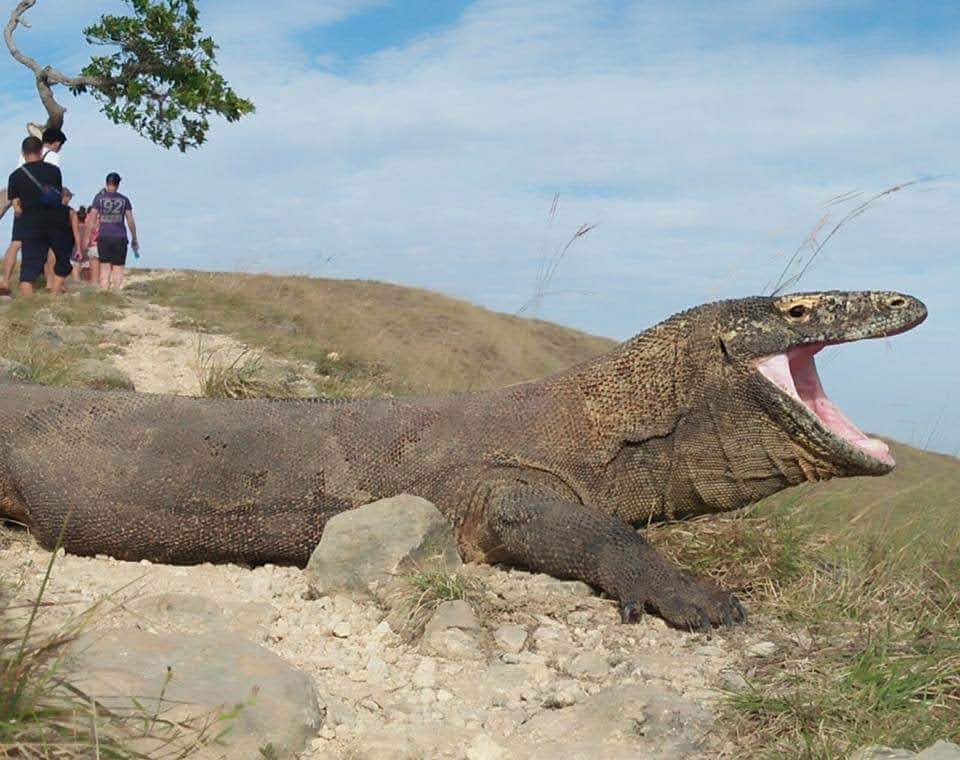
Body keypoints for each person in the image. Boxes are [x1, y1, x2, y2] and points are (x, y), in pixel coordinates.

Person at [0, 127, 67, 295]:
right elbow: (56, 194)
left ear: (23, 152)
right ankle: (52, 286)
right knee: (52, 249)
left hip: (28, 221)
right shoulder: (54, 169)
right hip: (52, 218)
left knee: (21, 258)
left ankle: (6, 282)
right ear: (41, 150)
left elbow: (16, 205)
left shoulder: (15, 175)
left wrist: (19, 210)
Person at [85, 172, 138, 291]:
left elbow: (92, 218)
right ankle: (116, 291)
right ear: (118, 184)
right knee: (118, 266)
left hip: (103, 236)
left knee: (105, 266)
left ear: (106, 183)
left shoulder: (99, 199)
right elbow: (130, 219)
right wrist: (134, 237)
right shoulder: (124, 200)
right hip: (120, 237)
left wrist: (87, 237)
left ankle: (104, 291)